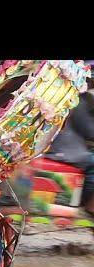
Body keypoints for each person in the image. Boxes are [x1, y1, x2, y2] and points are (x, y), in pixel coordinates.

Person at [45, 68, 94, 217]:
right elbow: (89, 131)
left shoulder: (70, 93)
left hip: (63, 145)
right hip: (63, 149)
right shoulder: (79, 98)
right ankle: (89, 205)